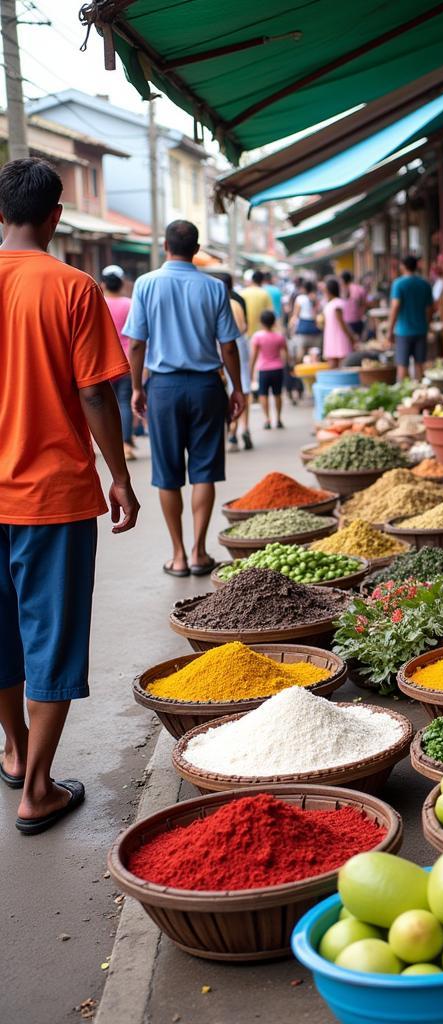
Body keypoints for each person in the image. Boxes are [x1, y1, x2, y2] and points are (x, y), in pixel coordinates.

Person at [0, 157, 140, 835]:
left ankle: (15, 750)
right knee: (49, 642)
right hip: (49, 497)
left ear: (1, 213)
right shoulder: (71, 287)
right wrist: (120, 476)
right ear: (56, 216)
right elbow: (95, 392)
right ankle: (36, 790)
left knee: (1, 640)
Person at [123, 220, 244, 578]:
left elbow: (135, 343)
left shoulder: (146, 285)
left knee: (167, 473)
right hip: (207, 387)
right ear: (197, 249)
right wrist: (237, 388)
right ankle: (198, 551)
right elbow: (229, 346)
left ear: (165, 246)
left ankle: (176, 555)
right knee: (204, 469)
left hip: (164, 388)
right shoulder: (214, 287)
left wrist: (137, 387)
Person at [211, 271, 253, 453]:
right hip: (240, 344)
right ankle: (244, 428)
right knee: (242, 385)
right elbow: (243, 327)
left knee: (226, 386)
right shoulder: (236, 303)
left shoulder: (214, 303)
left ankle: (232, 430)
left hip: (221, 346)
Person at [100, 268, 136, 462]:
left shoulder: (99, 303)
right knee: (124, 404)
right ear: (121, 284)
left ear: (103, 284)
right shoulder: (130, 304)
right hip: (126, 362)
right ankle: (127, 444)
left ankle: (109, 446)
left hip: (103, 362)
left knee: (104, 405)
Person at [387, 255, 435, 381]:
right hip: (421, 329)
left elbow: (395, 306)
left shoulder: (398, 284)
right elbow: (430, 308)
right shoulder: (425, 284)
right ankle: (420, 392)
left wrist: (389, 330)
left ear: (402, 266)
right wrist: (427, 323)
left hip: (403, 331)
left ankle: (404, 394)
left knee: (402, 366)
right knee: (420, 365)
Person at [250, 309, 290, 429]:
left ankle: (267, 419)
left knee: (263, 395)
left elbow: (254, 355)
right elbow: (285, 354)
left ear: (261, 322)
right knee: (277, 394)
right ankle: (278, 419)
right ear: (273, 322)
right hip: (277, 369)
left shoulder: (257, 336)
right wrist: (286, 365)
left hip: (263, 370)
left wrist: (251, 370)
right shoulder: (279, 336)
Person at [322, 276, 355, 368]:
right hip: (336, 337)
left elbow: (341, 323)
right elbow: (342, 323)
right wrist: (352, 337)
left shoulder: (334, 304)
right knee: (340, 364)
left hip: (336, 337)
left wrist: (351, 337)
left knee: (337, 364)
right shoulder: (334, 304)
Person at [240, 269, 273, 338]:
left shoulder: (242, 293)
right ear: (262, 281)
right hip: (261, 332)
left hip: (245, 331)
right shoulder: (265, 294)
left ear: (252, 280)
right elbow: (270, 312)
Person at [291, 278, 321, 354]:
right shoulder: (316, 298)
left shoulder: (300, 298)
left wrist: (291, 328)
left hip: (303, 329)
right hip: (315, 329)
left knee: (301, 353)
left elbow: (295, 316)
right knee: (314, 354)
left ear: (304, 288)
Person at [340, 270, 366, 340]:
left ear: (342, 280)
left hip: (347, 322)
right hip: (359, 320)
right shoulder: (360, 289)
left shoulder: (343, 290)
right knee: (358, 343)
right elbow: (364, 304)